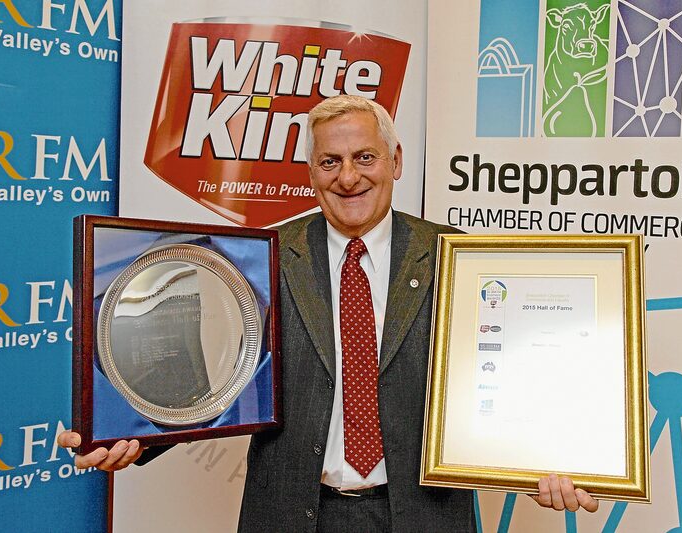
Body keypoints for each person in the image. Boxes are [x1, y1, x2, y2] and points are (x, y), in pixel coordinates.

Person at [58, 95, 598, 531]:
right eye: (330, 162)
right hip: (292, 512)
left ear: (395, 161)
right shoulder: (262, 258)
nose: (348, 177)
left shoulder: (457, 258)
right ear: (311, 172)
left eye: (365, 157)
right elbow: (220, 381)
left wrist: (546, 459)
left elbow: (511, 371)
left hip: (423, 516)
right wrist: (129, 436)